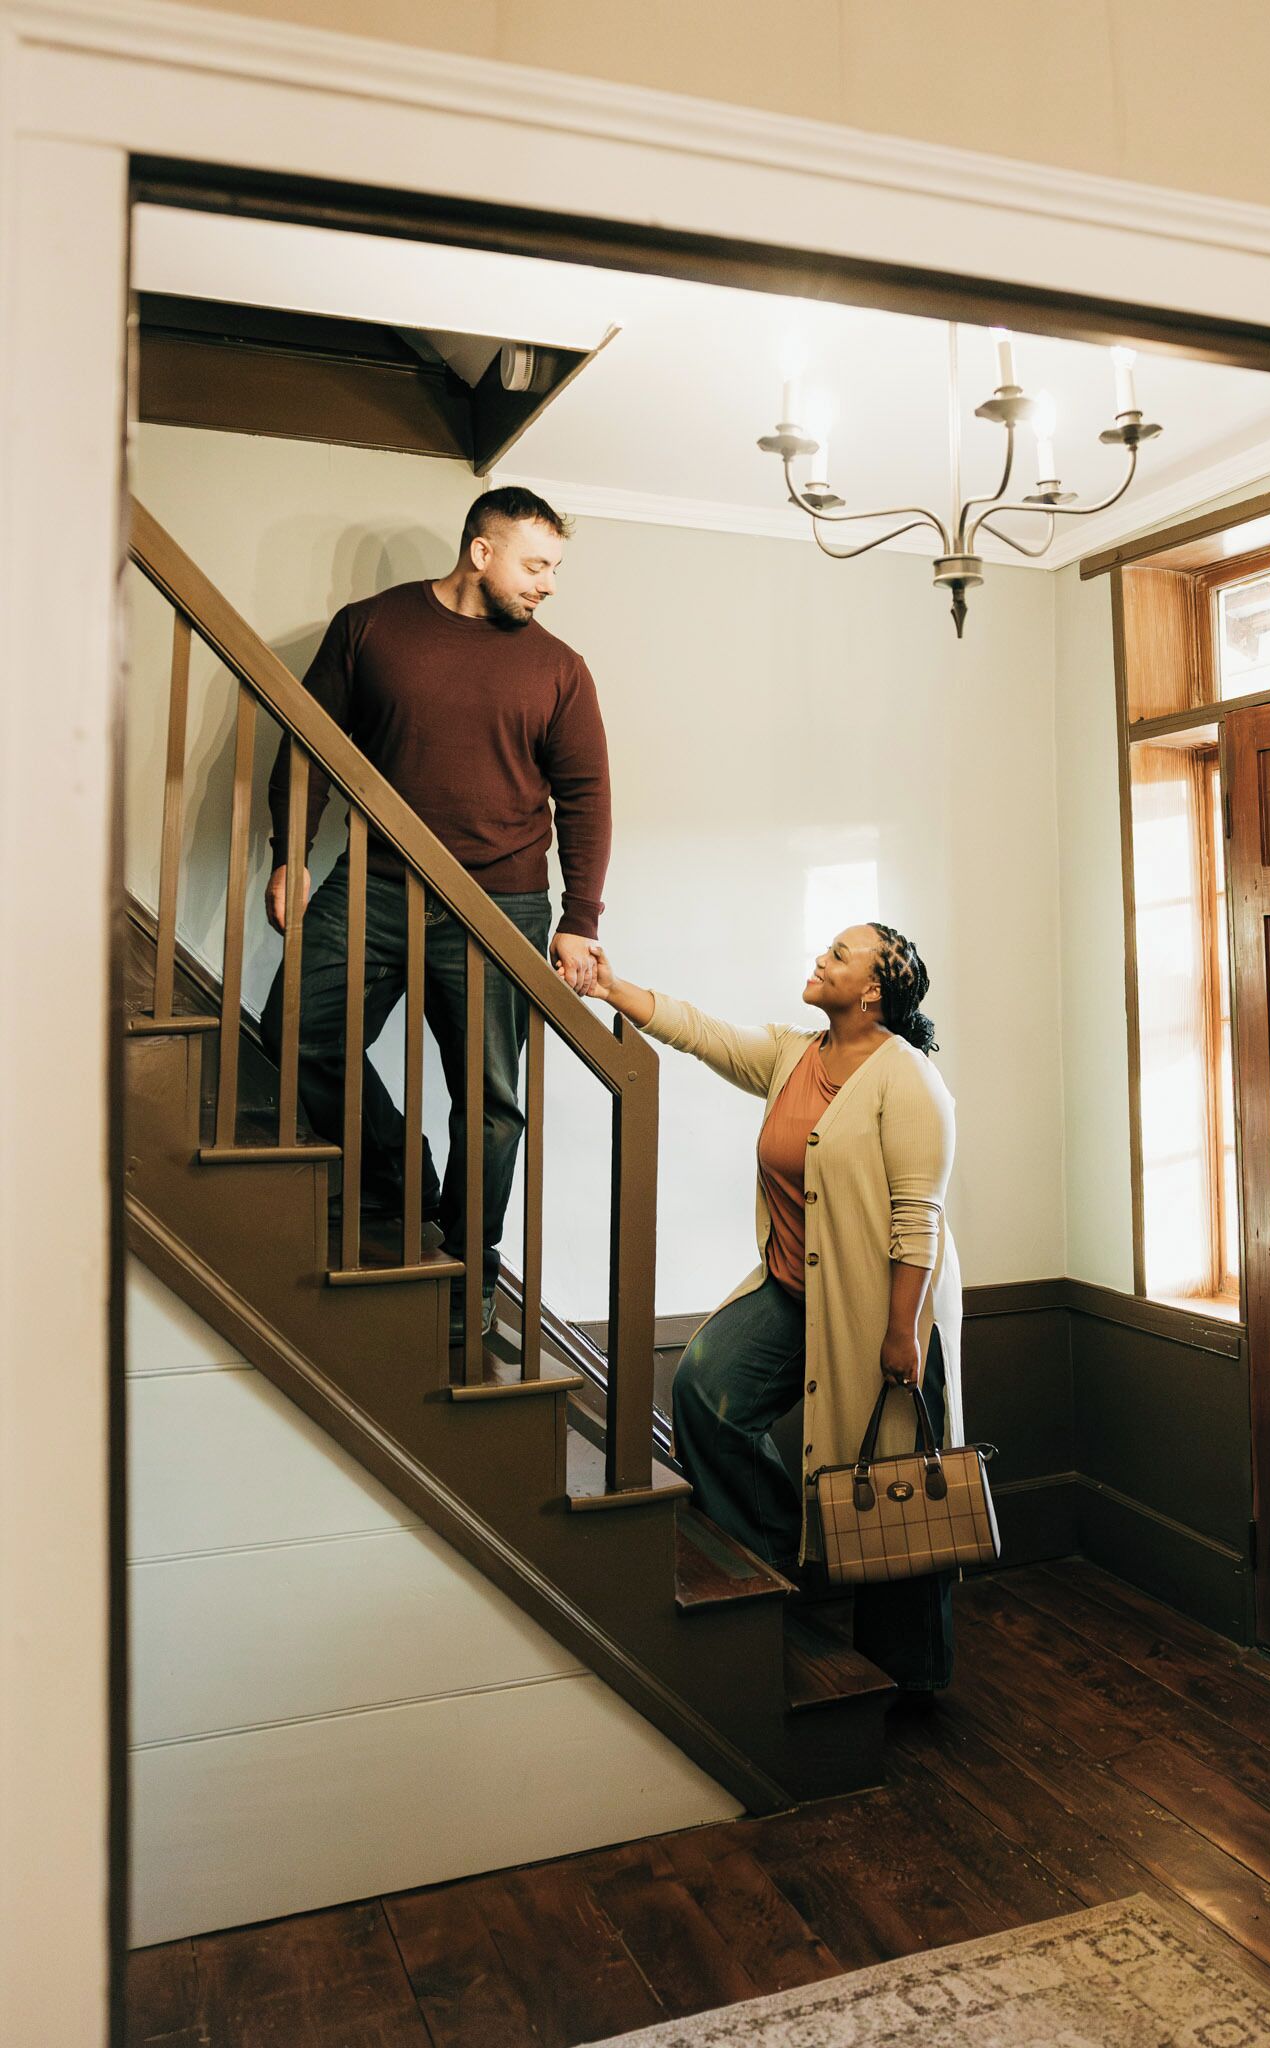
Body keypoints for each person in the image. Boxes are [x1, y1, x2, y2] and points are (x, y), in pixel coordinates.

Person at [261, 486, 610, 1340]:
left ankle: (468, 1274)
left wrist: (581, 917)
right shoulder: (371, 626)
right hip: (376, 883)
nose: (548, 585)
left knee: (490, 1100)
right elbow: (306, 742)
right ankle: (401, 1177)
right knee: (294, 1029)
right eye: (536, 565)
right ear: (480, 552)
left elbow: (586, 795)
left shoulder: (557, 667)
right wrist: (289, 854)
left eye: (555, 568)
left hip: (504, 905)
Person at [581, 924, 961, 1694]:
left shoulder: (910, 1080)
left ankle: (910, 1680)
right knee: (705, 1391)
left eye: (839, 954)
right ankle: (768, 1569)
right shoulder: (795, 1053)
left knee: (895, 1481)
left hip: (890, 1307)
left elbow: (916, 1216)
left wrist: (899, 1335)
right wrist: (609, 989)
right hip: (795, 1291)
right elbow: (703, 1034)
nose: (820, 957)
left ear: (872, 991)